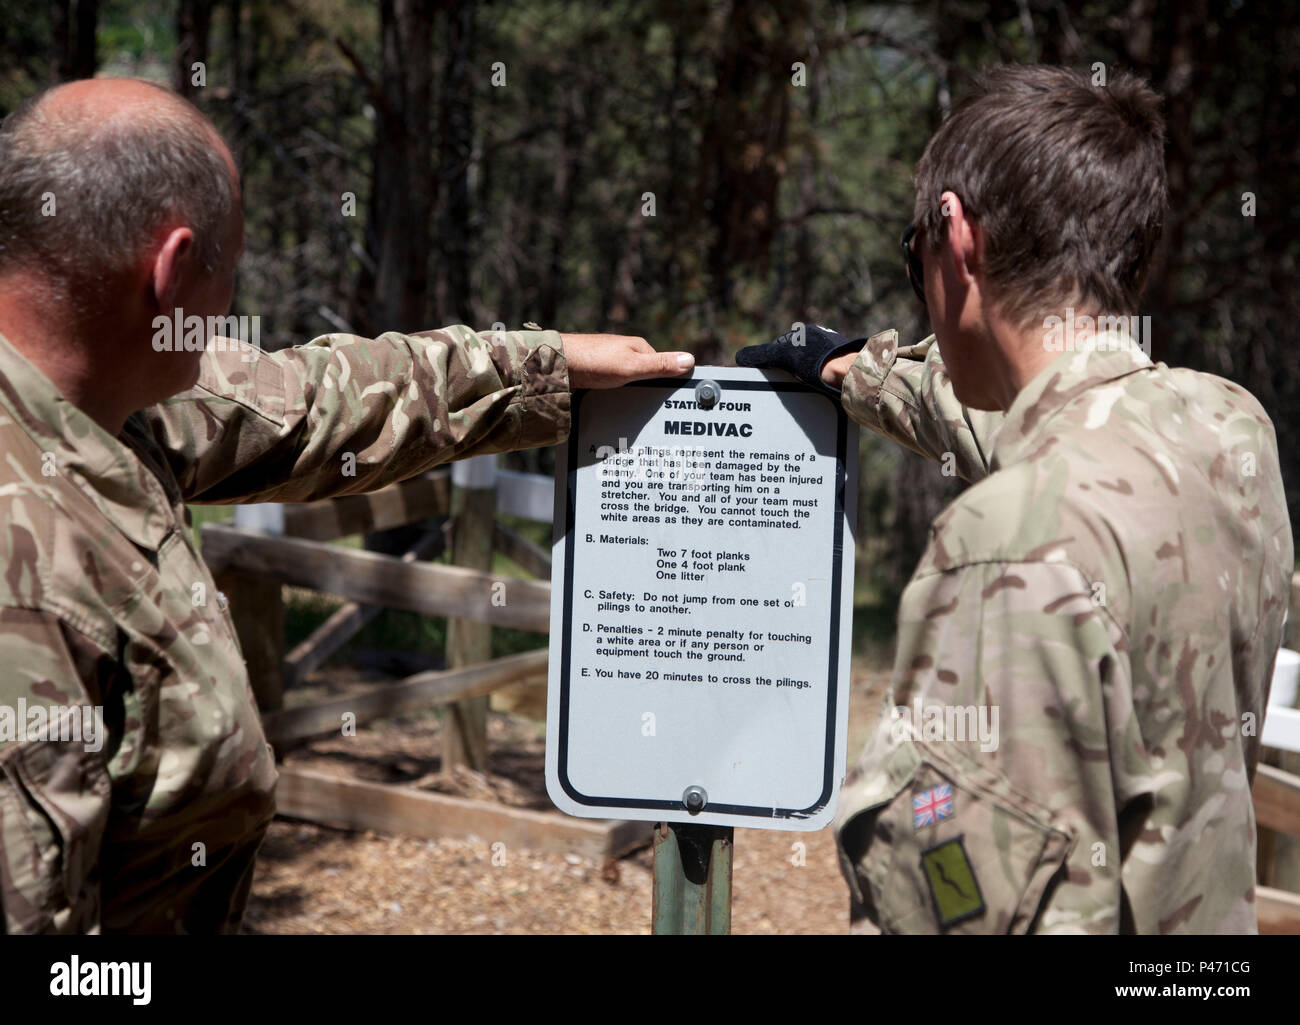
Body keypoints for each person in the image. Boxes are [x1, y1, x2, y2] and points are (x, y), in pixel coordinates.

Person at [0, 78, 693, 934]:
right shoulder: (22, 571)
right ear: (174, 273)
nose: (226, 318)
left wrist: (544, 365)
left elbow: (320, 403)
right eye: (230, 272)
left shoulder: (103, 396)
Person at [738, 64, 1292, 933]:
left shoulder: (1004, 540)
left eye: (912, 249)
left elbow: (956, 902)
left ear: (958, 233)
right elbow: (1023, 421)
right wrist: (846, 367)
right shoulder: (1230, 433)